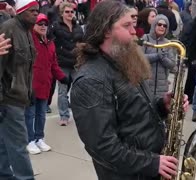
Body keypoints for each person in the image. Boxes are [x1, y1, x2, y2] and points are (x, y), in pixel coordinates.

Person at [70, 1, 188, 179]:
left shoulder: (124, 61)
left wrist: (163, 105)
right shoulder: (90, 81)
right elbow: (102, 147)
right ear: (106, 30)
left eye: (133, 24)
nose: (134, 31)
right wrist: (151, 163)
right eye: (127, 26)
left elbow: (134, 112)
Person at [0, 0, 39, 179]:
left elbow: (27, 69)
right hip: (9, 99)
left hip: (21, 98)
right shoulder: (8, 29)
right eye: (32, 11)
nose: (36, 14)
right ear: (22, 11)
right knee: (18, 145)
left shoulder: (27, 32)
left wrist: (30, 93)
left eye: (37, 11)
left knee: (4, 144)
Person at [25, 14, 68, 155]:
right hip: (30, 85)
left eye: (45, 24)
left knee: (41, 115)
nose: (43, 26)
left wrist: (62, 77)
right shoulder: (29, 39)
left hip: (45, 85)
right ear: (34, 25)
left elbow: (54, 65)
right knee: (30, 115)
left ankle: (39, 138)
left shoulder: (50, 43)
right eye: (40, 23)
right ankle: (29, 140)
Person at [51, 2, 83, 126]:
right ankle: (64, 116)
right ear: (62, 13)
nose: (70, 14)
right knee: (62, 91)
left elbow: (83, 42)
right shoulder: (55, 26)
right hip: (62, 63)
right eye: (67, 12)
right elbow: (50, 42)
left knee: (79, 90)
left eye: (72, 12)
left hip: (76, 63)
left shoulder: (78, 27)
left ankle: (81, 114)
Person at [141, 15, 175, 97]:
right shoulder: (146, 38)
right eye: (159, 24)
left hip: (162, 87)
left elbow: (172, 64)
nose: (162, 27)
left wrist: (163, 58)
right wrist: (156, 56)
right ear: (154, 25)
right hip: (146, 85)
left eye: (165, 25)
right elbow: (140, 58)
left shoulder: (168, 43)